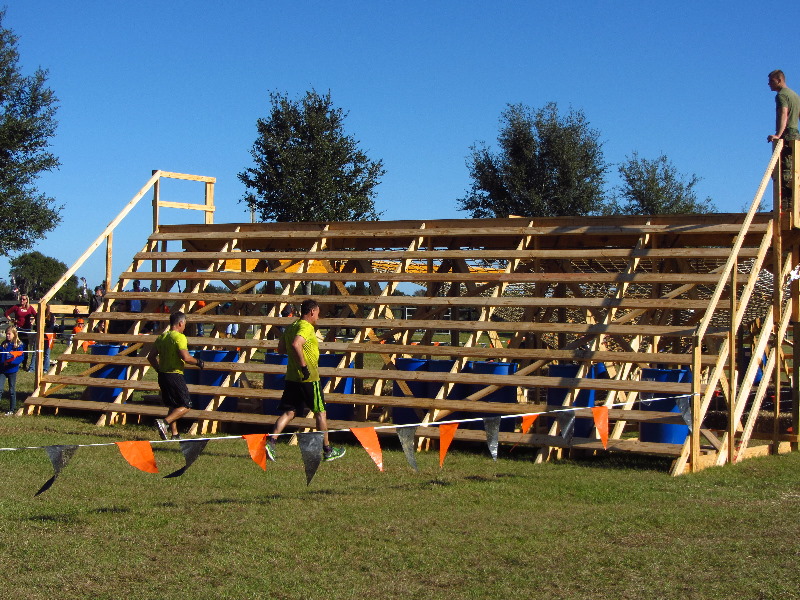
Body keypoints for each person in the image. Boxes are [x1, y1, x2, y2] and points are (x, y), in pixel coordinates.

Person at [266, 299, 345, 462]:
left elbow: (281, 349)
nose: (318, 316)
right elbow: (296, 344)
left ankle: (271, 442)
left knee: (289, 412)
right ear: (312, 312)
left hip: (292, 377)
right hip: (308, 377)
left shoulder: (291, 326)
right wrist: (303, 365)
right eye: (318, 312)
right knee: (320, 412)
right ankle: (327, 450)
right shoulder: (306, 327)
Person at [147, 311, 205, 440]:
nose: (185, 327)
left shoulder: (162, 337)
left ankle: (175, 434)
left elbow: (151, 357)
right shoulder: (179, 337)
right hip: (175, 375)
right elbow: (186, 357)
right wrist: (198, 362)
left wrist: (158, 369)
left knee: (173, 405)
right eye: (185, 324)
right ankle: (164, 423)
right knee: (186, 405)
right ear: (180, 323)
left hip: (162, 375)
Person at [767, 69, 800, 206]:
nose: (769, 84)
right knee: (794, 169)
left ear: (779, 80)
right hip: (796, 134)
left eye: (771, 81)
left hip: (787, 134)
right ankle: (793, 204)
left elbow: (783, 114)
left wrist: (778, 135)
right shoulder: (794, 95)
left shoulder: (782, 95)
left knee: (783, 171)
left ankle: (786, 206)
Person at [5, 293, 37, 371]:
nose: (22, 300)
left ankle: (24, 364)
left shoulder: (30, 308)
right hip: (18, 329)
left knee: (25, 346)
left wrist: (32, 321)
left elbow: (36, 315)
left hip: (26, 329)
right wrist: (11, 320)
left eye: (23, 299)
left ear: (27, 300)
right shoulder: (16, 307)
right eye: (21, 299)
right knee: (17, 345)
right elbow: (6, 313)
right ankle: (15, 362)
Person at [0, 325, 24, 415]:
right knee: (0, 389)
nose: (7, 336)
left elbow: (20, 357)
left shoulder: (18, 345)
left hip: (12, 370)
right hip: (2, 370)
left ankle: (11, 409)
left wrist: (10, 363)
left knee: (12, 390)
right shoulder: (3, 344)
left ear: (14, 334)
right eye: (6, 334)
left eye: (9, 334)